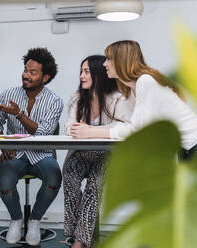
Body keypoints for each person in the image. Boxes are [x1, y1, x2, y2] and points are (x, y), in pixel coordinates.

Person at [85, 40, 197, 160]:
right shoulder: (133, 88)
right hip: (189, 147)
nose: (104, 64)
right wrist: (91, 130)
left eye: (109, 59)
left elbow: (138, 130)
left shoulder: (146, 81)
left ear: (122, 60)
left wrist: (92, 132)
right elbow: (130, 124)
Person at [0, 47, 63, 246]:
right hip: (14, 152)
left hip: (41, 153)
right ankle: (16, 219)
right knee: (4, 181)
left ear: (45, 77)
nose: (26, 75)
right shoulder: (8, 94)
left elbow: (42, 134)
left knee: (54, 178)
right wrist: (2, 145)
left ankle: (34, 221)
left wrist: (19, 115)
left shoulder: (54, 102)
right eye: (25, 70)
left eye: (33, 72)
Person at [63, 55, 134, 248]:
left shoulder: (117, 98)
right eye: (81, 71)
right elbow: (68, 126)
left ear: (99, 74)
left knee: (94, 187)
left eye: (86, 71)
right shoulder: (77, 98)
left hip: (106, 156)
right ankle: (79, 235)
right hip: (81, 154)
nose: (82, 76)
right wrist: (80, 129)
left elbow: (125, 127)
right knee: (69, 177)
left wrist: (90, 131)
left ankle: (79, 241)